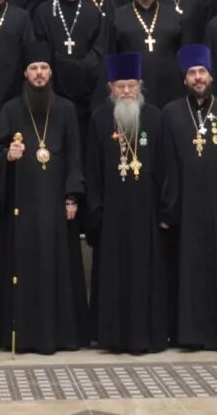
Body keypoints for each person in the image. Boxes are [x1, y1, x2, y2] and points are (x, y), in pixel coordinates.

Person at [0, 39, 88, 354]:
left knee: (56, 269)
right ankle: (22, 335)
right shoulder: (11, 110)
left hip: (56, 206)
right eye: (34, 69)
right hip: (22, 206)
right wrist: (7, 155)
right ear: (25, 74)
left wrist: (72, 197)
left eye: (44, 68)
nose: (40, 74)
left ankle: (59, 336)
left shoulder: (67, 109)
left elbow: (74, 156)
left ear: (51, 73)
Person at [159, 43, 217, 353]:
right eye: (192, 73)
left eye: (202, 72)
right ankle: (189, 335)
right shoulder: (171, 113)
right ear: (184, 79)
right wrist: (168, 210)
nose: (197, 78)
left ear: (211, 76)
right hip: (185, 209)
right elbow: (167, 166)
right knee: (187, 273)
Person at [84, 52, 170, 354]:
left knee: (147, 274)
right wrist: (95, 212)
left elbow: (166, 168)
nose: (126, 92)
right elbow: (91, 169)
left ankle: (147, 336)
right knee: (113, 275)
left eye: (131, 85)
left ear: (140, 86)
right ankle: (112, 337)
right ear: (110, 88)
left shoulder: (156, 118)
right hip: (112, 215)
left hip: (146, 214)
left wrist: (164, 210)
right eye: (120, 86)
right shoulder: (98, 118)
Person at [34, 0, 106, 123]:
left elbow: (99, 48)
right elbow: (41, 47)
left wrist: (80, 67)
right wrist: (63, 66)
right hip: (55, 86)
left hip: (86, 88)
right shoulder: (43, 12)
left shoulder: (92, 12)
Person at [106, 0, 189, 111]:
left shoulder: (174, 16)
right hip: (132, 96)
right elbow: (111, 56)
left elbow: (183, 57)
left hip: (171, 93)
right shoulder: (118, 17)